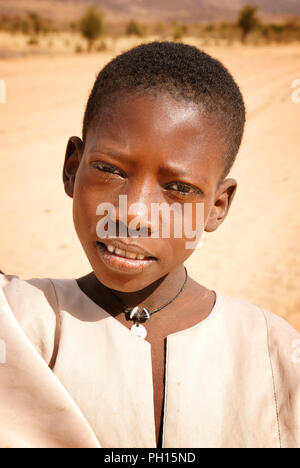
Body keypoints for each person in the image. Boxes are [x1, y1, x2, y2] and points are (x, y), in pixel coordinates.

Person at [0, 41, 299, 449]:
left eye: (179, 188)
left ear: (217, 206)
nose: (134, 214)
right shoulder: (17, 323)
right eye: (110, 170)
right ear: (72, 168)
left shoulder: (276, 354)